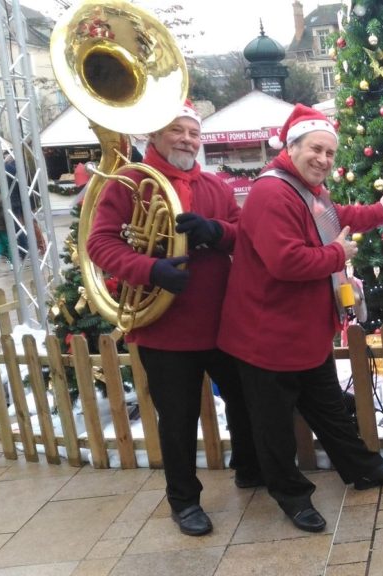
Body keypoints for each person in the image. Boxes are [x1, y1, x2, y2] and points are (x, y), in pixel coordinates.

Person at [217, 104, 383, 534]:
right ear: (291, 147)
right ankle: (291, 496)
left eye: (330, 153)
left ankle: (363, 469)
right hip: (266, 337)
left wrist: (381, 212)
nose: (324, 160)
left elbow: (334, 218)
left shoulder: (308, 190)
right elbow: (285, 262)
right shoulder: (272, 193)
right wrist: (337, 256)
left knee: (329, 411)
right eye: (316, 149)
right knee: (274, 429)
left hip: (301, 331)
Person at [86, 102, 261, 537]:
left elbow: (244, 233)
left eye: (193, 133)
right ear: (154, 137)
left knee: (242, 399)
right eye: (176, 131)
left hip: (221, 321)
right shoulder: (130, 181)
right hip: (163, 327)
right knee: (179, 418)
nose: (187, 140)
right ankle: (184, 501)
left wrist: (216, 231)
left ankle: (250, 468)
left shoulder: (215, 185)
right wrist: (150, 270)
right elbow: (100, 242)